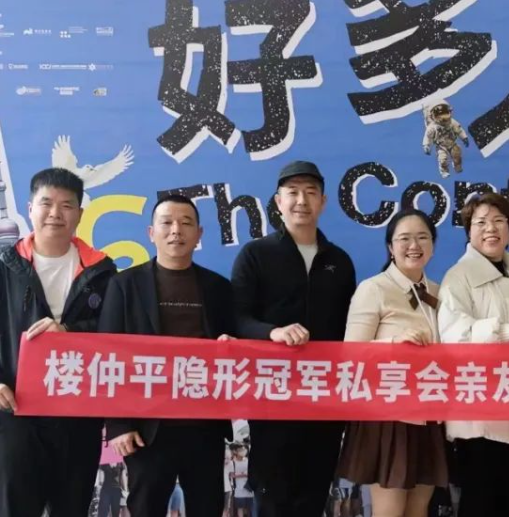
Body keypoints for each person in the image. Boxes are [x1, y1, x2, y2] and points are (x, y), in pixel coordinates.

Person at [0, 168, 117, 517]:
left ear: (80, 213)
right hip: (16, 413)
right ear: (30, 209)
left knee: (71, 509)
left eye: (66, 205)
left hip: (77, 414)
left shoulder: (102, 270)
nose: (55, 213)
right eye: (46, 203)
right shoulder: (0, 265)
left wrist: (70, 333)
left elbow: (115, 333)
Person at [231, 161, 356, 517]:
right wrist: (272, 332)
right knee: (272, 495)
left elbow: (352, 328)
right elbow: (236, 317)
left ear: (323, 202)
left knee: (314, 494)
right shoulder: (256, 254)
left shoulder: (339, 261)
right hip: (273, 394)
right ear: (278, 201)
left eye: (311, 192)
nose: (302, 200)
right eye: (293, 192)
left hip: (325, 396)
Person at [99, 194, 236, 517]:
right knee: (146, 508)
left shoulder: (218, 287)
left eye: (186, 223)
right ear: (151, 233)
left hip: (204, 425)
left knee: (208, 508)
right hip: (147, 429)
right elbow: (107, 355)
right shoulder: (124, 285)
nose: (176, 230)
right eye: (167, 223)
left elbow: (234, 344)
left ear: (199, 234)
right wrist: (117, 424)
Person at [336, 209, 449, 517]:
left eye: (423, 237)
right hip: (389, 416)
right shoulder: (373, 288)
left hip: (430, 412)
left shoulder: (438, 291)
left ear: (433, 245)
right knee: (390, 510)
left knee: (419, 508)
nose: (414, 245)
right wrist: (394, 344)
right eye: (404, 239)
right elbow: (350, 355)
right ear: (390, 247)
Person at [438, 193, 509, 517]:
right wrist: (508, 331)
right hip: (477, 409)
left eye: (499, 221)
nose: (491, 229)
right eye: (481, 222)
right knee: (479, 501)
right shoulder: (458, 276)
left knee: (504, 500)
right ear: (468, 231)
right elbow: (454, 335)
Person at [230, 444, 252, 517]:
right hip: (238, 490)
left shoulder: (248, 460)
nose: (243, 451)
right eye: (241, 450)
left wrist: (239, 474)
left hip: (249, 489)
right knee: (240, 508)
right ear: (236, 451)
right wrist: (244, 474)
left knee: (249, 509)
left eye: (244, 449)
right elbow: (231, 475)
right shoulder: (233, 462)